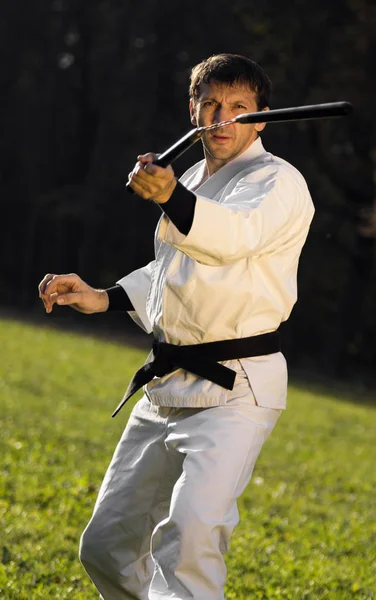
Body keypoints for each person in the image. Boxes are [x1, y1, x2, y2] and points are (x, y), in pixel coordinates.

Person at [39, 54, 314, 600]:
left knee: (189, 541)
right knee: (107, 545)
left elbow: (230, 239)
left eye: (239, 108)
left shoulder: (279, 182)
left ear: (262, 119)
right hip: (167, 385)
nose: (222, 117)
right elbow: (172, 272)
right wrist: (104, 297)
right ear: (193, 110)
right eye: (210, 104)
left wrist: (169, 197)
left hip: (236, 388)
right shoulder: (191, 175)